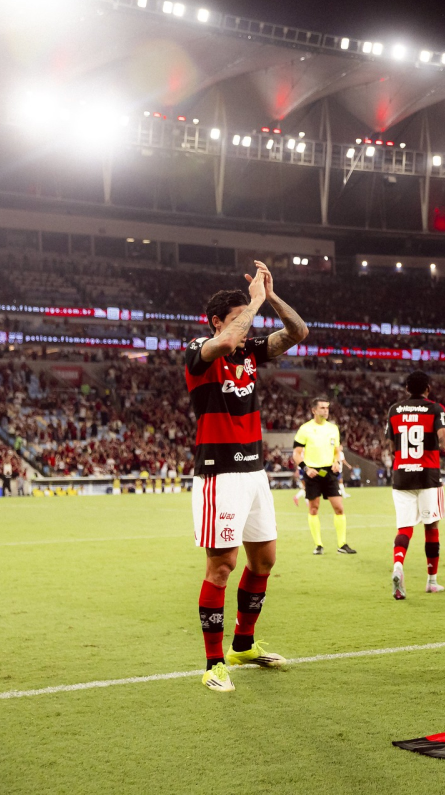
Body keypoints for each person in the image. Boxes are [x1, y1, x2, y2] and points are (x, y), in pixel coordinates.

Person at [187, 261, 308, 692]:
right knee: (222, 566)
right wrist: (253, 299)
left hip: (254, 471)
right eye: (240, 315)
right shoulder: (200, 350)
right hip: (219, 473)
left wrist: (271, 296)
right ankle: (213, 663)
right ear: (219, 320)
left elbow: (298, 333)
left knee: (264, 561)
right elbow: (228, 340)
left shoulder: (250, 353)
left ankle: (243, 643)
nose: (249, 322)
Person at [385, 371, 445, 600]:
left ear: (406, 388)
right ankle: (432, 581)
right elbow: (444, 437)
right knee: (431, 527)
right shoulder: (436, 409)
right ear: (428, 388)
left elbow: (390, 444)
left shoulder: (394, 410)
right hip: (428, 476)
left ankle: (398, 566)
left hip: (401, 475)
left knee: (405, 528)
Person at [292, 397, 355, 555]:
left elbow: (336, 451)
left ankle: (342, 544)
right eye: (322, 408)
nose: (325, 410)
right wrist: (305, 468)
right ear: (314, 410)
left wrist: (336, 462)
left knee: (339, 508)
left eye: (327, 408)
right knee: (313, 509)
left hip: (329, 473)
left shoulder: (333, 428)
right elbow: (296, 454)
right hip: (312, 473)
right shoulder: (304, 429)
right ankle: (318, 545)